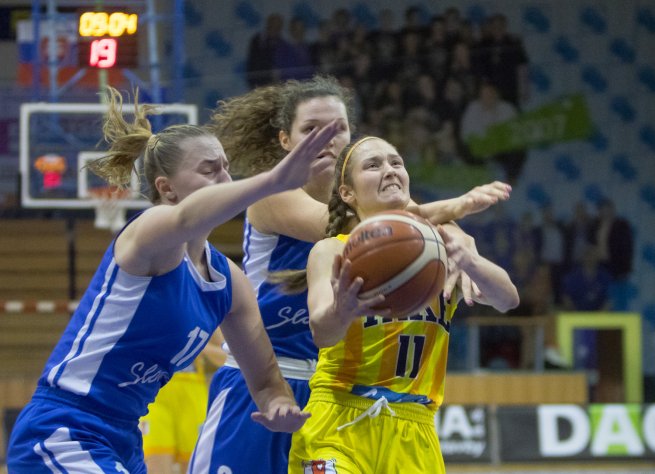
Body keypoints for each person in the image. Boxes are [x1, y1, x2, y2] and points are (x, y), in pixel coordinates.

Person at [6, 86, 341, 473]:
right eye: (208, 169)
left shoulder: (228, 282)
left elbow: (266, 380)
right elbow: (185, 219)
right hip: (65, 424)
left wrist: (278, 405)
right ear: (166, 188)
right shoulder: (148, 237)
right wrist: (273, 181)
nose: (225, 178)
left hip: (124, 435)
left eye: (227, 167)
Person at [188, 75, 513, 474]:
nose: (326, 139)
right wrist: (458, 206)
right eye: (310, 130)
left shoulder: (388, 201)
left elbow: (406, 228)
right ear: (285, 141)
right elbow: (377, 230)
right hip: (263, 380)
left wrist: (464, 249)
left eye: (338, 129)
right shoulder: (272, 195)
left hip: (334, 390)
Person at [288, 136, 519, 473]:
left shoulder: (442, 244)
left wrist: (470, 262)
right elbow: (322, 332)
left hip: (416, 428)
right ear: (347, 193)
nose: (390, 170)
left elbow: (507, 299)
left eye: (396, 162)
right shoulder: (333, 251)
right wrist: (343, 311)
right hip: (340, 418)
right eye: (373, 165)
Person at [140, 330, 226, 474]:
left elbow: (226, 357)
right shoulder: (147, 311)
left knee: (194, 467)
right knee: (156, 467)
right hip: (156, 398)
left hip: (192, 399)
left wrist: (199, 345)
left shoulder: (205, 311)